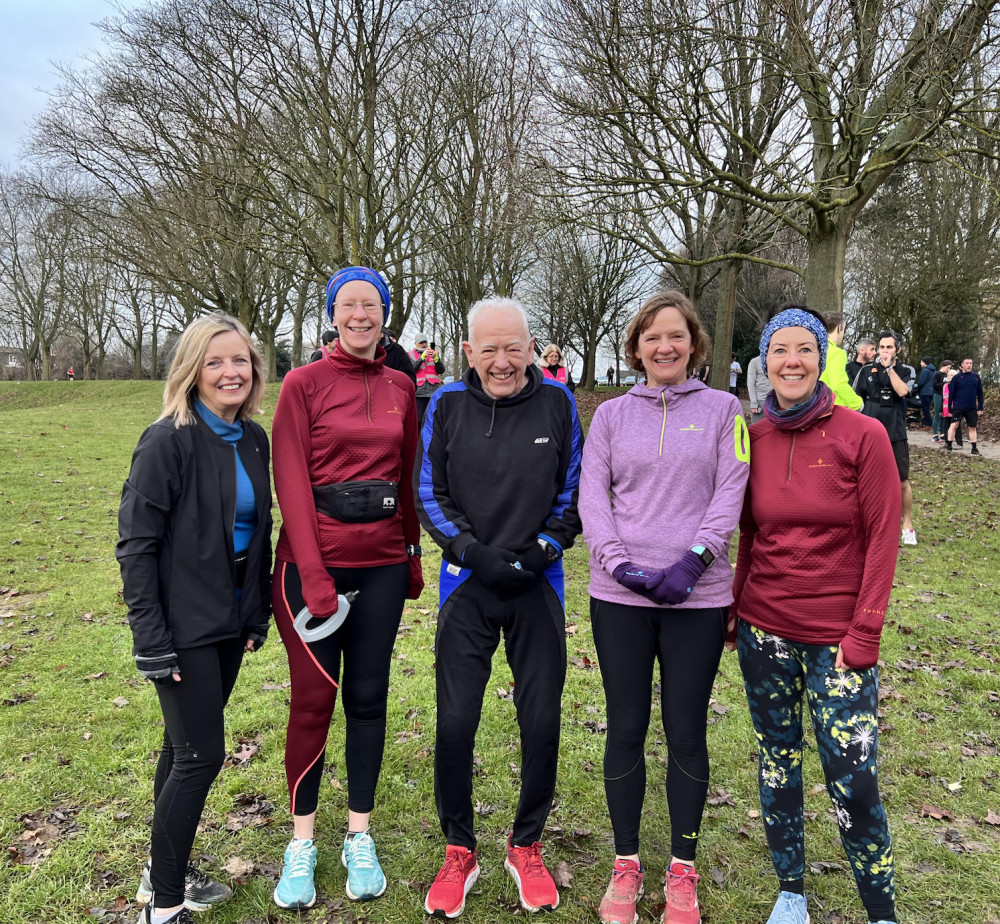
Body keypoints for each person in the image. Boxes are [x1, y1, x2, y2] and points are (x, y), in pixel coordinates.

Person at [579, 291, 749, 924]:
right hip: (620, 596)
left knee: (686, 727)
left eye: (675, 336)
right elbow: (593, 497)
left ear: (694, 343)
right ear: (636, 347)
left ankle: (682, 867)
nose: (664, 347)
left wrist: (695, 561)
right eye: (652, 337)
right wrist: (619, 563)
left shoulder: (725, 409)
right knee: (624, 727)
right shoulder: (610, 417)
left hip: (696, 597)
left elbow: (731, 489)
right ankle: (626, 863)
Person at [729, 306, 901, 924]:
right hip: (763, 631)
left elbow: (884, 538)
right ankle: (792, 888)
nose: (792, 361)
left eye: (804, 349)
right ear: (765, 362)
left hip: (840, 641)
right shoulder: (754, 436)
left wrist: (867, 629)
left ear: (821, 357)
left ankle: (879, 908)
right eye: (779, 351)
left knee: (853, 776)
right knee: (778, 761)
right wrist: (733, 609)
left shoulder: (864, 435)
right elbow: (750, 535)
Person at [415, 297, 583, 919]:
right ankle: (460, 847)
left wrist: (543, 549)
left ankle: (525, 844)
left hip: (539, 583)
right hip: (469, 584)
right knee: (456, 722)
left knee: (540, 722)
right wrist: (471, 552)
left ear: (532, 346)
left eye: (513, 346)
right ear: (468, 352)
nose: (502, 360)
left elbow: (574, 488)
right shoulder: (446, 405)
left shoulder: (559, 403)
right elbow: (430, 492)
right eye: (489, 348)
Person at [270, 265, 424, 910]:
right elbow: (291, 482)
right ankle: (301, 840)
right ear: (332, 313)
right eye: (348, 305)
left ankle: (358, 832)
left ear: (386, 313)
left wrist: (412, 553)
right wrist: (314, 573)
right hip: (312, 568)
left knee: (367, 698)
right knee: (312, 702)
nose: (360, 315)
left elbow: (409, 471)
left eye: (372, 304)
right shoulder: (302, 384)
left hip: (382, 564)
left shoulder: (401, 385)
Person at [117, 313, 272, 924]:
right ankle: (164, 908)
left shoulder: (253, 438)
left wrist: (254, 611)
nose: (231, 372)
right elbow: (136, 545)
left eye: (241, 360)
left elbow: (256, 530)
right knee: (200, 756)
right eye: (215, 361)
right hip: (181, 627)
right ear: (192, 371)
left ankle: (161, 874)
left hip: (230, 621)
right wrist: (151, 639)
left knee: (178, 748)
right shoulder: (167, 440)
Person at [854, 330, 916, 545]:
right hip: (870, 433)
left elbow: (902, 392)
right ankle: (868, 523)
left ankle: (907, 526)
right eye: (881, 347)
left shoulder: (906, 370)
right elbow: (854, 400)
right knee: (866, 480)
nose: (884, 351)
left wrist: (889, 370)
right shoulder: (864, 371)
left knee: (901, 481)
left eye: (889, 347)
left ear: (897, 350)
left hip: (896, 431)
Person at [818, 312, 862, 410]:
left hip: (812, 407)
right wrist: (857, 403)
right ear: (840, 327)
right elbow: (838, 384)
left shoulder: (813, 349)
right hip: (833, 408)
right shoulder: (837, 353)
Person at [946, 357, 985, 455]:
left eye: (971, 363)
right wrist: (949, 407)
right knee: (954, 425)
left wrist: (980, 407)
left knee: (972, 427)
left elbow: (980, 393)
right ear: (962, 365)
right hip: (958, 406)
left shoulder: (976, 377)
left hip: (971, 407)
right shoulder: (957, 378)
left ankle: (974, 448)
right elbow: (951, 394)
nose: (969, 365)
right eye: (967, 363)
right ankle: (949, 446)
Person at [410, 332, 445, 425]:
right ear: (416, 344)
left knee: (433, 420)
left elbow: (441, 370)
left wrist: (437, 359)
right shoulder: (410, 354)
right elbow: (411, 369)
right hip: (418, 393)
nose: (423, 344)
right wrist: (422, 357)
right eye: (421, 342)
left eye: (425, 342)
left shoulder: (434, 354)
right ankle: (418, 439)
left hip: (433, 391)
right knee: (418, 420)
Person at [746, 353, 773, 424]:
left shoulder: (777, 360)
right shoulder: (755, 362)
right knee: (757, 431)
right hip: (760, 401)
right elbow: (750, 383)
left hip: (775, 401)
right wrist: (754, 403)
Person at [931, 360, 952, 443]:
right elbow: (935, 385)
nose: (948, 369)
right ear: (943, 366)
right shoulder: (937, 374)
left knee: (944, 415)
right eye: (948, 368)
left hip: (945, 396)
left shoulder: (947, 375)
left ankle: (942, 433)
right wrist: (945, 384)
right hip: (938, 395)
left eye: (950, 368)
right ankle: (935, 434)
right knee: (937, 415)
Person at [916, 357, 937, 428]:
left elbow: (921, 382)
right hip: (932, 392)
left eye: (921, 362)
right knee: (928, 408)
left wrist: (917, 390)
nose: (920, 363)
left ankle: (929, 424)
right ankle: (927, 422)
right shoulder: (934, 370)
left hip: (925, 392)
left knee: (925, 409)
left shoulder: (925, 371)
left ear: (925, 362)